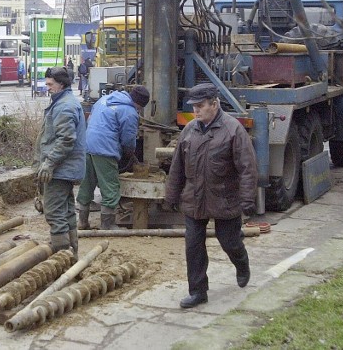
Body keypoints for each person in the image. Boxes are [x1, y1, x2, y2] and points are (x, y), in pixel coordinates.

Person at [164, 83, 258, 308]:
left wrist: (247, 199)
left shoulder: (233, 130)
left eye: (200, 106)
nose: (196, 111)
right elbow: (177, 165)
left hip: (224, 198)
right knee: (193, 245)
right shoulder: (190, 130)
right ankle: (198, 291)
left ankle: (241, 262)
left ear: (214, 104)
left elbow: (247, 167)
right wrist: (171, 195)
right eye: (193, 107)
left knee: (229, 241)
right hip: (194, 198)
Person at [76, 85, 151, 230]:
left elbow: (90, 119)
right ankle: (108, 224)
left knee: (87, 183)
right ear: (140, 105)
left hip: (87, 145)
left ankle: (82, 222)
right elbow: (128, 140)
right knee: (110, 187)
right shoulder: (129, 112)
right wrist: (129, 154)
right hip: (105, 150)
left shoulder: (105, 99)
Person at [33, 67, 86, 258]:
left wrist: (48, 163)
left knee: (55, 214)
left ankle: (61, 259)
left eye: (50, 84)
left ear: (61, 84)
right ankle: (72, 256)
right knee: (67, 212)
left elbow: (66, 140)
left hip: (60, 170)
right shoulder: (64, 102)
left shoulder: (64, 106)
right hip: (66, 169)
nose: (47, 88)